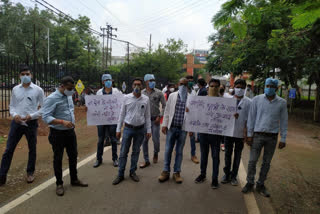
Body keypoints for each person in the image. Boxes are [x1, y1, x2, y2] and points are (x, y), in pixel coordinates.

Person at [42, 76, 88, 196]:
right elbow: (46, 117)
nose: (72, 91)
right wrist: (62, 122)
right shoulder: (51, 98)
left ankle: (74, 179)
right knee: (58, 158)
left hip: (70, 132)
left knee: (73, 156)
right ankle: (59, 184)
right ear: (62, 86)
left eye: (72, 88)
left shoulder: (68, 96)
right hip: (57, 133)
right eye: (69, 88)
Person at [242, 77, 288, 197]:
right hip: (257, 135)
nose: (269, 88)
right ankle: (250, 182)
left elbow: (284, 121)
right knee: (252, 161)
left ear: (276, 88)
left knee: (266, 163)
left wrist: (283, 138)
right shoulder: (256, 100)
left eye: (272, 87)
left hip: (272, 137)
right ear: (264, 86)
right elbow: (251, 118)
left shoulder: (282, 103)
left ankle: (261, 184)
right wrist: (249, 135)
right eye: (267, 86)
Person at [0, 66, 44, 186]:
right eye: (23, 74)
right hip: (17, 123)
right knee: (9, 149)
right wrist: (14, 115)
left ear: (31, 75)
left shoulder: (38, 90)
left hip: (31, 123)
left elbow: (44, 108)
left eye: (27, 74)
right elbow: (12, 106)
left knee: (32, 148)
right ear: (19, 76)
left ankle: (30, 172)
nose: (25, 76)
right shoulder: (15, 89)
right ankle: (2, 175)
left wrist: (32, 115)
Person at [112, 78, 151, 185]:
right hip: (128, 129)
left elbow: (147, 116)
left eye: (139, 84)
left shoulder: (146, 99)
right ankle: (120, 174)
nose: (137, 86)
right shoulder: (126, 98)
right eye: (135, 84)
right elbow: (121, 114)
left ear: (142, 86)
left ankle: (133, 172)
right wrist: (118, 129)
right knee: (123, 152)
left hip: (140, 130)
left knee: (136, 151)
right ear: (132, 86)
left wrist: (149, 130)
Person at [221, 79, 252, 186]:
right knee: (227, 155)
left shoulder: (249, 102)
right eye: (238, 87)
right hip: (228, 132)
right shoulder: (227, 99)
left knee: (238, 155)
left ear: (245, 89)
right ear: (234, 87)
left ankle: (234, 176)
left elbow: (249, 119)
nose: (239, 89)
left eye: (242, 88)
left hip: (240, 133)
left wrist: (247, 134)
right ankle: (226, 174)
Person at [158, 78, 189, 184]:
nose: (183, 86)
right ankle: (165, 171)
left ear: (187, 85)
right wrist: (164, 124)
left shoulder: (191, 98)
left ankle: (177, 172)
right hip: (172, 127)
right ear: (177, 84)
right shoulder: (172, 96)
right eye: (181, 84)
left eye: (185, 84)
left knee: (179, 152)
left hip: (183, 129)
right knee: (168, 150)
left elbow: (194, 115)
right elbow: (167, 111)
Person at [194, 78, 222, 189]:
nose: (214, 88)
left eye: (216, 86)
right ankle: (203, 174)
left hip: (216, 134)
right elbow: (195, 113)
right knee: (204, 154)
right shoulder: (201, 100)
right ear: (208, 87)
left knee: (215, 156)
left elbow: (227, 118)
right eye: (212, 86)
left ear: (219, 88)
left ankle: (214, 179)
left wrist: (233, 116)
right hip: (203, 132)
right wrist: (189, 110)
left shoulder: (224, 102)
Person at [92, 74, 122, 168]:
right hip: (101, 120)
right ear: (102, 82)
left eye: (109, 80)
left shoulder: (117, 92)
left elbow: (121, 105)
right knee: (101, 139)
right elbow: (96, 106)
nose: (108, 82)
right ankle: (99, 159)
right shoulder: (99, 93)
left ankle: (115, 159)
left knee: (113, 139)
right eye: (106, 80)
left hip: (113, 119)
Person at [140, 74, 166, 168]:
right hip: (144, 121)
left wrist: (160, 116)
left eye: (153, 80)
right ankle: (146, 160)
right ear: (146, 82)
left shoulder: (159, 92)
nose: (152, 82)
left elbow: (164, 106)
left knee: (156, 140)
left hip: (155, 120)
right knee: (144, 140)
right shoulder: (141, 93)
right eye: (150, 80)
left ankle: (156, 153)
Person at [185, 75, 199, 164]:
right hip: (182, 118)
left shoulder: (194, 91)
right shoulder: (181, 91)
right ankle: (176, 149)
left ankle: (193, 155)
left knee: (192, 137)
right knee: (179, 137)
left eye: (191, 80)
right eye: (188, 80)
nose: (190, 82)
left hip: (192, 117)